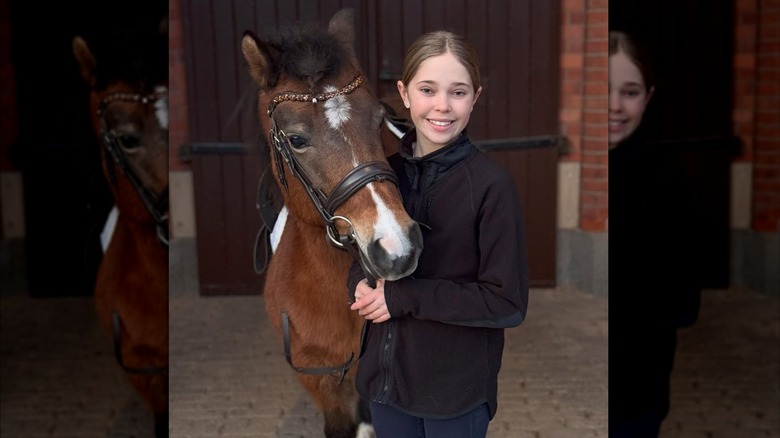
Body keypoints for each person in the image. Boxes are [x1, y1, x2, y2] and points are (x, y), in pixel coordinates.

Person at [347, 31, 529, 437]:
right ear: (405, 94)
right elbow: (358, 258)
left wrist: (403, 297)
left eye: (458, 92)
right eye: (427, 89)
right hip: (386, 384)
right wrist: (358, 284)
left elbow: (506, 302)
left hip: (455, 393)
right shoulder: (384, 177)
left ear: (475, 98)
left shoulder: (491, 186)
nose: (442, 105)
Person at [608, 30, 701, 437]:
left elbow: (684, 301)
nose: (614, 105)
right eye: (603, 89)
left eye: (629, 92)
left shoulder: (668, 184)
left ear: (648, 96)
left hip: (638, 384)